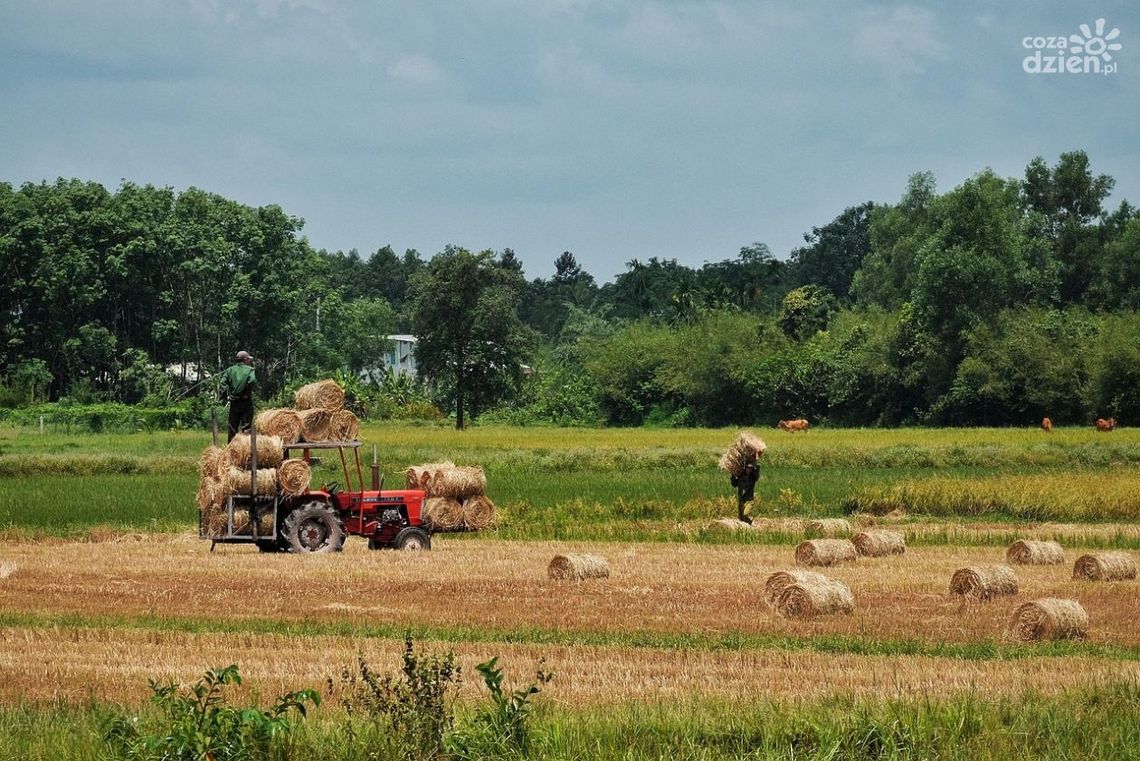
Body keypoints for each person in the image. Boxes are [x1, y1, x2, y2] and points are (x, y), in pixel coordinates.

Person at [220, 350, 257, 442]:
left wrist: (227, 397)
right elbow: (252, 381)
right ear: (245, 359)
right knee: (246, 427)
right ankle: (246, 450)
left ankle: (231, 450)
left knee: (232, 427)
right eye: (248, 359)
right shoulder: (250, 370)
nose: (249, 361)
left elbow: (222, 384)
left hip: (234, 402)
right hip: (245, 402)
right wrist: (246, 394)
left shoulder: (230, 370)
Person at [731, 457, 759, 524]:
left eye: (750, 469)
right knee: (741, 518)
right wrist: (733, 476)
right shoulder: (741, 477)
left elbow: (757, 470)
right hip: (741, 500)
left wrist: (757, 458)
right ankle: (745, 528)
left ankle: (750, 523)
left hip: (749, 500)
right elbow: (734, 484)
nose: (749, 470)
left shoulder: (753, 478)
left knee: (745, 514)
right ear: (745, 469)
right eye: (747, 468)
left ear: (752, 470)